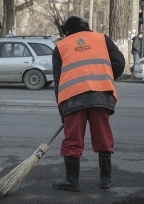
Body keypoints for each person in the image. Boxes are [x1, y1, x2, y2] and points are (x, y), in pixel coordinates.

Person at [52, 16, 125, 192]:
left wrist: (62, 111)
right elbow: (120, 62)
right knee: (103, 136)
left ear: (66, 32)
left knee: (73, 139)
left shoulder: (61, 46)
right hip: (100, 95)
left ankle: (72, 181)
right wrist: (104, 77)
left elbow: (58, 81)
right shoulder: (102, 39)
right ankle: (105, 180)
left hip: (72, 97)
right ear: (86, 27)